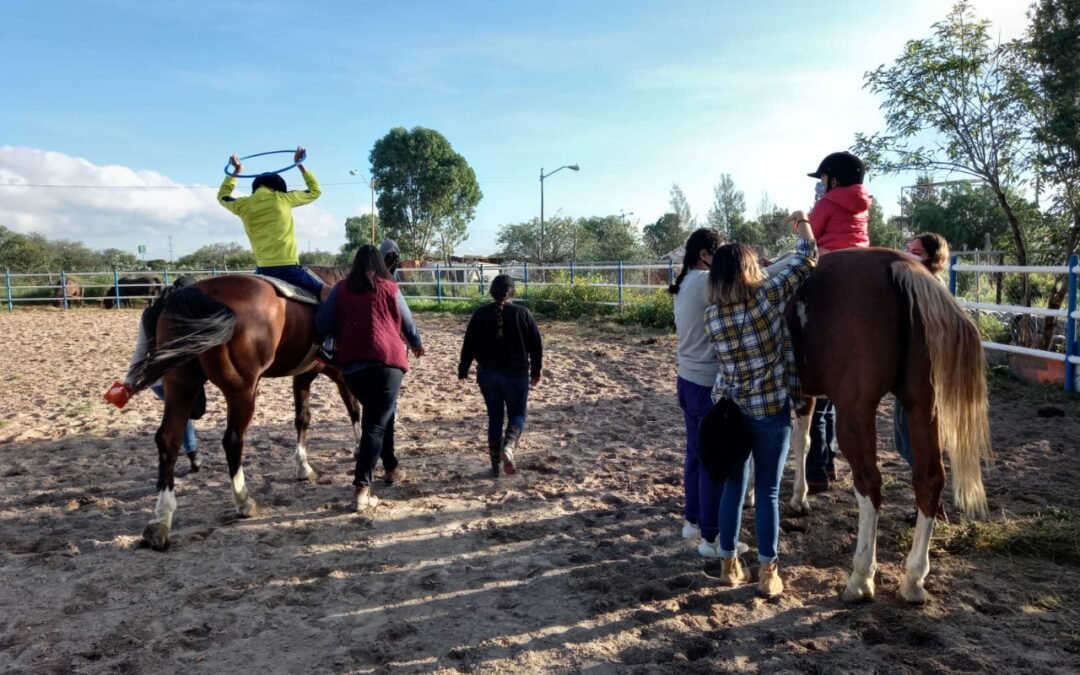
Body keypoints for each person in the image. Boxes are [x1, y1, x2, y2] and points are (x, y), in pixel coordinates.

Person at [703, 217, 818, 597]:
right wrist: (802, 224)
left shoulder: (712, 315)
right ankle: (768, 571)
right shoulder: (767, 298)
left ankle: (729, 563)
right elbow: (807, 257)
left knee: (733, 488)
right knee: (767, 492)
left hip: (730, 411)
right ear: (750, 269)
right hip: (769, 409)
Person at [315, 245, 424, 511]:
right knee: (375, 424)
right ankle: (362, 489)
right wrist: (416, 344)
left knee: (381, 415)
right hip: (387, 364)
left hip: (352, 367)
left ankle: (391, 468)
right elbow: (408, 323)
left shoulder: (340, 289)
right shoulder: (390, 288)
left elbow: (322, 324)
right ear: (381, 264)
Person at [803, 151, 873, 494]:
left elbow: (809, 240)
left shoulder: (826, 204)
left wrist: (801, 222)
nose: (821, 185)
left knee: (792, 296)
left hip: (830, 263)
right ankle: (828, 463)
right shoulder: (864, 204)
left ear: (832, 179)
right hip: (862, 261)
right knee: (831, 403)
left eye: (823, 180)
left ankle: (816, 470)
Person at [105, 275, 205, 473]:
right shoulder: (192, 313)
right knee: (182, 414)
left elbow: (140, 351)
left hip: (157, 379)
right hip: (184, 378)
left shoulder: (150, 313)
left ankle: (193, 454)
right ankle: (192, 454)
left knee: (181, 412)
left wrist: (129, 383)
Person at [670, 228, 729, 553]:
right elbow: (756, 281)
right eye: (719, 252)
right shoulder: (709, 282)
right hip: (708, 384)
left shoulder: (685, 283)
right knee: (713, 461)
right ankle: (712, 536)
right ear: (705, 255)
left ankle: (692, 521)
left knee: (695, 454)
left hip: (687, 378)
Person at [458, 275, 543, 477]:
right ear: (513, 292)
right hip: (516, 376)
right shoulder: (523, 314)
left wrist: (463, 370)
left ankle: (495, 466)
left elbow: (468, 344)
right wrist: (536, 371)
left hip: (488, 376)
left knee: (494, 417)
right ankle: (509, 446)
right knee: (517, 415)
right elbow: (536, 345)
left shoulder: (480, 314)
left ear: (491, 292)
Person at [218, 146, 329, 300]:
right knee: (329, 292)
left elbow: (222, 196)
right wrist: (299, 164)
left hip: (262, 270)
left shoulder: (243, 205)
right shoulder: (283, 198)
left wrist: (236, 172)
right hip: (289, 269)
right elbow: (315, 191)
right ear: (278, 188)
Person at [896, 232, 951, 522]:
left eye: (915, 252)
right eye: (907, 248)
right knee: (905, 440)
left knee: (914, 441)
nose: (908, 254)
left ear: (932, 258)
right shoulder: (928, 283)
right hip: (915, 375)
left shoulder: (928, 286)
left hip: (923, 378)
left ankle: (931, 504)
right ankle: (930, 502)